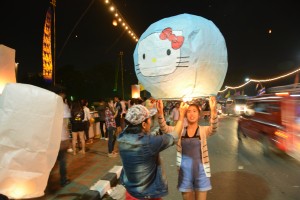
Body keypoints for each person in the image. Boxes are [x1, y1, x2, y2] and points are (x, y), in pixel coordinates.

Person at [117, 101, 188, 199]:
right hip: (147, 195)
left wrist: (160, 112)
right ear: (144, 125)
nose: (151, 121)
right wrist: (182, 115)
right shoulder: (149, 143)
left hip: (130, 193)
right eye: (149, 119)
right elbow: (175, 136)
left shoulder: (122, 138)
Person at [158, 96, 218, 200]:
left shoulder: (203, 130)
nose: (192, 114)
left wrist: (213, 111)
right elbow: (165, 129)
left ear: (199, 115)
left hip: (201, 173)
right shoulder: (180, 131)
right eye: (189, 111)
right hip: (184, 173)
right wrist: (160, 114)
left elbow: (214, 128)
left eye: (194, 111)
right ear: (185, 114)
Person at [57, 92, 71, 187]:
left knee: (48, 161)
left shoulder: (47, 105)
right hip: (61, 137)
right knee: (62, 160)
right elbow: (66, 122)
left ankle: (44, 183)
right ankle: (63, 180)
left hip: (49, 138)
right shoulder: (63, 106)